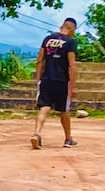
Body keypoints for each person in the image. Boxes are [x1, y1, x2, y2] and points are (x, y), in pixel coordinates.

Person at [31, 17, 79, 150]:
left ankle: (37, 134)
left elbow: (40, 60)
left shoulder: (47, 40)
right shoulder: (70, 42)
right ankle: (68, 139)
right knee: (64, 110)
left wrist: (39, 79)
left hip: (47, 79)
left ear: (62, 26)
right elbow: (72, 64)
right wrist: (73, 85)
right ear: (72, 29)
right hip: (62, 81)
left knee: (44, 107)